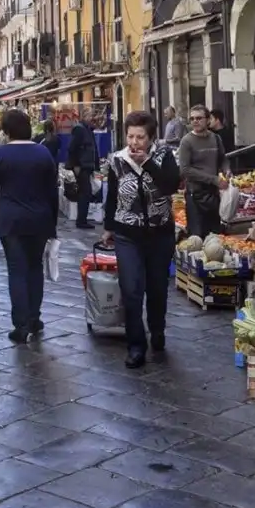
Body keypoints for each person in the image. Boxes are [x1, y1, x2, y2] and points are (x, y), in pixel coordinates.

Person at [102, 111, 181, 369]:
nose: (134, 142)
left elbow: (170, 186)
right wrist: (108, 227)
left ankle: (158, 330)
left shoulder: (164, 156)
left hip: (160, 234)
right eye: (131, 136)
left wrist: (147, 163)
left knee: (157, 288)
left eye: (140, 137)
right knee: (132, 289)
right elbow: (112, 195)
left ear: (151, 137)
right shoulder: (117, 160)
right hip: (128, 235)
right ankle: (136, 345)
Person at [0, 109, 58, 344]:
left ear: (6, 132)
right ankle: (35, 319)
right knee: (35, 268)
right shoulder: (43, 153)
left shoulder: (0, 154)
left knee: (17, 270)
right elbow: (52, 191)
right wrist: (52, 223)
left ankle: (21, 325)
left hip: (10, 220)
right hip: (40, 220)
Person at [179, 104, 230, 238]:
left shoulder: (216, 139)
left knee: (215, 236)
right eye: (192, 119)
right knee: (197, 237)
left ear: (208, 120)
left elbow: (222, 158)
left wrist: (227, 170)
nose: (195, 121)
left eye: (199, 118)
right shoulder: (186, 141)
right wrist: (213, 179)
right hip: (195, 195)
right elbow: (185, 170)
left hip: (213, 195)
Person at [67, 107, 100, 229]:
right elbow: (72, 148)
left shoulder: (87, 130)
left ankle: (82, 219)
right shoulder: (80, 130)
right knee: (84, 193)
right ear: (85, 116)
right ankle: (81, 221)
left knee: (85, 192)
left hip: (86, 166)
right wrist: (76, 165)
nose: (93, 118)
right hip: (81, 167)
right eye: (91, 115)